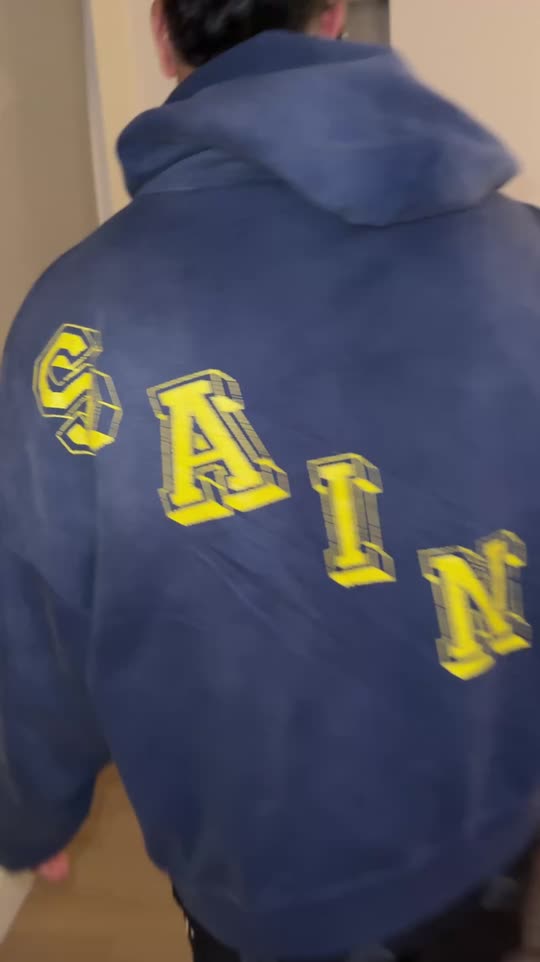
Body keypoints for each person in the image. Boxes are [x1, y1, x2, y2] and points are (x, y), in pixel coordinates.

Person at [1, 0, 540, 959]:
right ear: (332, 17)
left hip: (269, 875)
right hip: (490, 821)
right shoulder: (527, 252)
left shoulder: (82, 317)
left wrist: (28, 806)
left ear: (161, 33)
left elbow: (37, 606)